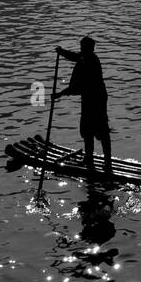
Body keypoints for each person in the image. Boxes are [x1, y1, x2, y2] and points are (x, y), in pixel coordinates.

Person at [54, 37, 112, 177]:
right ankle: (89, 158)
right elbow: (74, 56)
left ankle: (106, 161)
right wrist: (62, 52)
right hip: (89, 98)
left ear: (89, 48)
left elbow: (79, 87)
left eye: (83, 47)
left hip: (96, 99)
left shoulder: (90, 62)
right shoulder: (85, 57)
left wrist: (61, 93)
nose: (81, 49)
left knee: (100, 129)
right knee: (87, 129)